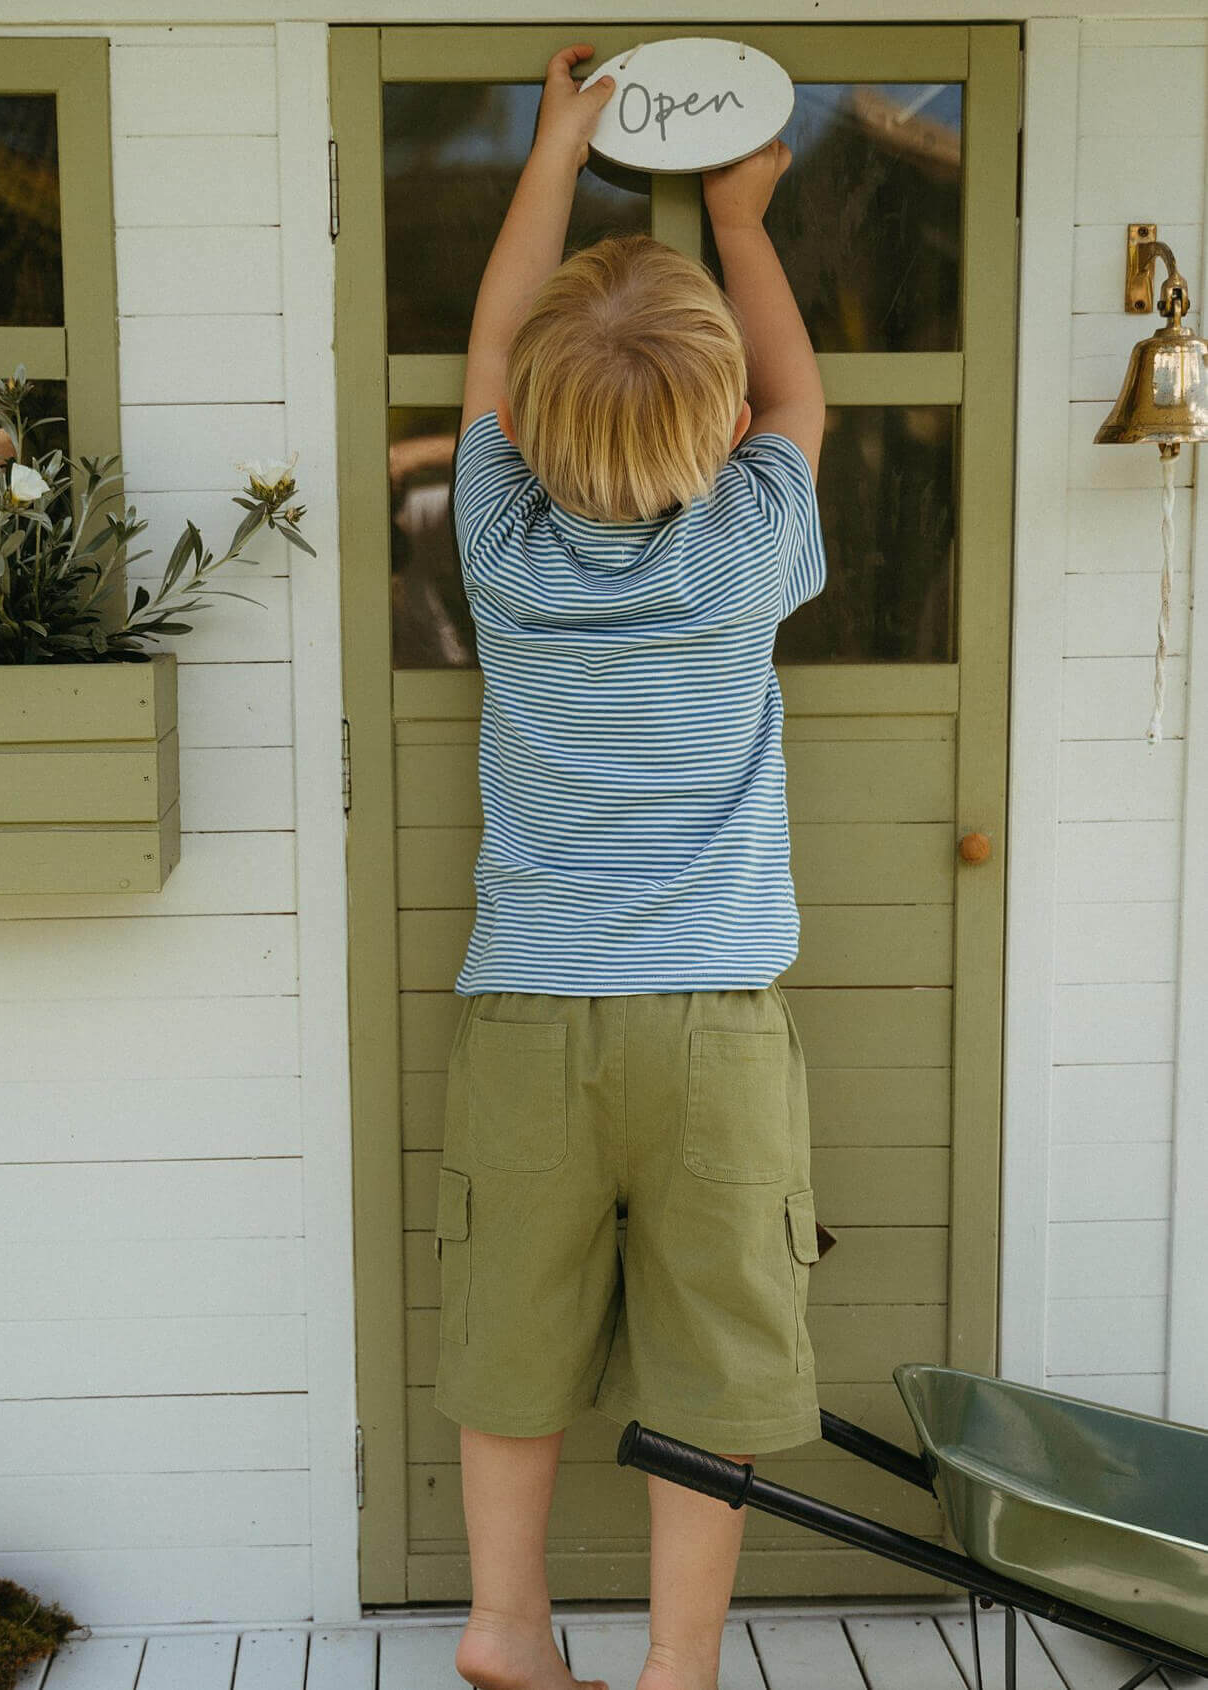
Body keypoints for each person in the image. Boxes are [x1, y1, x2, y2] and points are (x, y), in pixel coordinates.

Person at [432, 42, 828, 1690]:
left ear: (522, 424)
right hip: (711, 1030)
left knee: (510, 1349)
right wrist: (741, 224)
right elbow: (805, 400)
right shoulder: (747, 549)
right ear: (725, 430)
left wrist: (552, 157)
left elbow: (483, 357)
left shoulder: (504, 550)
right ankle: (676, 1668)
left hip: (528, 1019)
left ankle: (508, 1630)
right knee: (719, 1363)